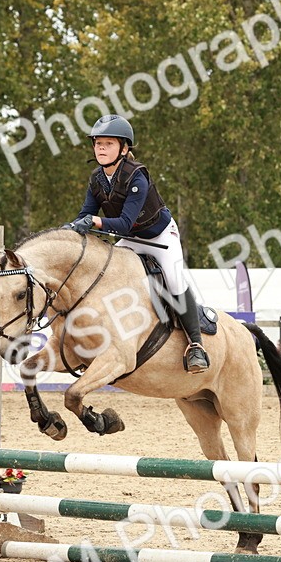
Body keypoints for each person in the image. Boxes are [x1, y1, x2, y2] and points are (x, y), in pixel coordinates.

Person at [63, 115, 210, 373]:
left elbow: (124, 223)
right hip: (131, 241)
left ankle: (196, 346)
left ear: (124, 148)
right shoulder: (96, 179)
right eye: (97, 143)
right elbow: (85, 212)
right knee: (106, 275)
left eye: (107, 143)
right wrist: (70, 230)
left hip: (160, 237)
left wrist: (94, 222)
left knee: (174, 281)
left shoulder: (136, 177)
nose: (100, 148)